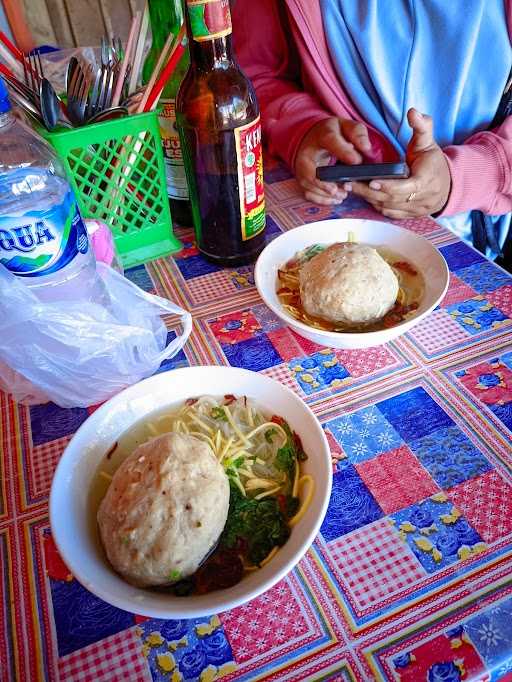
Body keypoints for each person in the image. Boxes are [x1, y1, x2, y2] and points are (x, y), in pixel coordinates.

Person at [232, 0, 512, 267]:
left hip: (476, 234)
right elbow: (253, 75)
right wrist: (301, 127)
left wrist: (465, 177)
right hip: (336, 210)